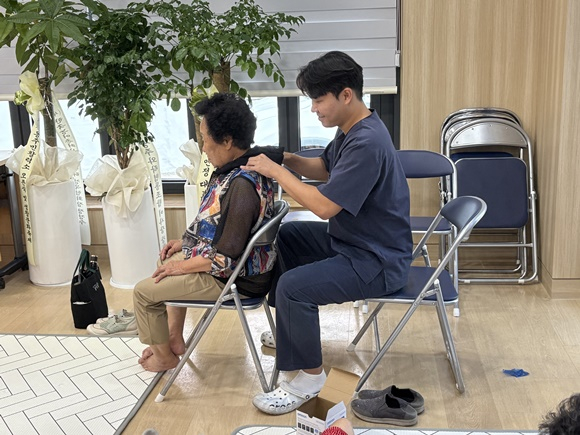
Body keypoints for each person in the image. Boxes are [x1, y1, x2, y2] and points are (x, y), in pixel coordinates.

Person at [243, 51, 412, 415]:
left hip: (377, 261)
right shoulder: (353, 127)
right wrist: (286, 158)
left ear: (346, 95)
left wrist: (277, 173)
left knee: (293, 287)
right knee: (288, 237)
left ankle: (309, 380)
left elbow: (323, 206)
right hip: (354, 242)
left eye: (319, 100)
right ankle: (292, 334)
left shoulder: (367, 142)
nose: (314, 109)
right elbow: (324, 167)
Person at [134, 93, 283, 372]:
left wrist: (182, 267)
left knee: (144, 293)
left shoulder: (241, 186)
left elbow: (224, 259)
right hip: (240, 269)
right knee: (167, 260)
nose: (203, 148)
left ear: (227, 141)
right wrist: (184, 246)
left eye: (205, 139)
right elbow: (221, 230)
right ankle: (173, 338)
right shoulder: (242, 167)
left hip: (237, 280)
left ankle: (164, 357)